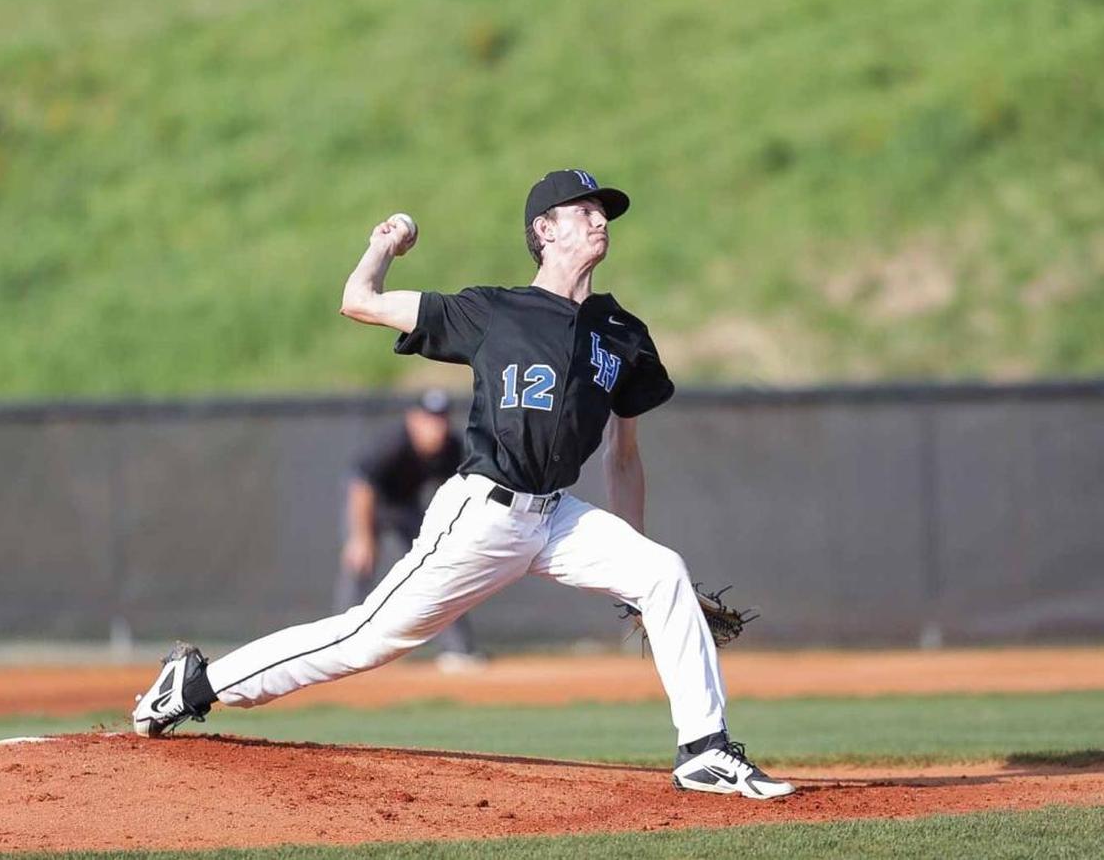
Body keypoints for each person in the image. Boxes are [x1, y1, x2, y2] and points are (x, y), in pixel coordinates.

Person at [132, 168, 794, 799]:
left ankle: (703, 750)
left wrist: (634, 576)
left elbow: (623, 457)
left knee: (661, 571)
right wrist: (382, 245)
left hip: (557, 518)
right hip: (484, 513)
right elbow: (358, 301)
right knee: (365, 638)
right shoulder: (494, 311)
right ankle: (195, 685)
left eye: (604, 212)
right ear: (545, 230)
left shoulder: (622, 334)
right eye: (585, 210)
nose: (600, 220)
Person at [336, 388, 483, 669]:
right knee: (359, 566)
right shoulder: (392, 442)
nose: (436, 427)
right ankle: (343, 649)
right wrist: (361, 538)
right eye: (429, 419)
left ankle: (458, 650)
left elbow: (461, 488)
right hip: (371, 505)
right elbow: (361, 487)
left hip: (406, 506)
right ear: (413, 419)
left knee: (439, 568)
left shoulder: (451, 447)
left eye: (441, 419)